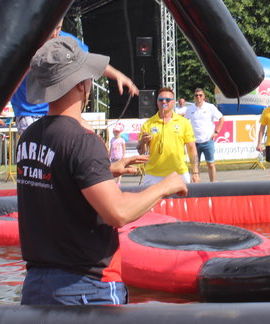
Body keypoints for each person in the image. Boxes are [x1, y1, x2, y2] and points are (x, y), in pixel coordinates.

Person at [16, 38, 187, 305]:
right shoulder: (82, 140)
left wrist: (104, 171)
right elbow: (118, 213)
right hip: (86, 286)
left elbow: (59, 185)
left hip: (37, 285)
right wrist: (166, 185)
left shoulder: (29, 137)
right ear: (80, 85)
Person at [11, 22, 138, 135]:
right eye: (51, 28)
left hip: (62, 110)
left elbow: (87, 61)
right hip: (31, 113)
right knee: (48, 146)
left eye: (58, 28)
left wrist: (118, 75)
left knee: (90, 137)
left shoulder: (67, 41)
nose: (54, 34)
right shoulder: (24, 41)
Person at [137, 87, 198, 186]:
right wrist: (143, 142)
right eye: (161, 99)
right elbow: (141, 152)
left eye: (167, 100)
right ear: (157, 102)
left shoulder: (184, 123)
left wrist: (195, 172)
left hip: (179, 173)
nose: (164, 102)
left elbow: (192, 149)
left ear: (173, 102)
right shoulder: (148, 124)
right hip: (153, 175)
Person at [184, 88, 225, 182]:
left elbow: (221, 118)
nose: (198, 97)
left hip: (208, 141)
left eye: (200, 95)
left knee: (210, 164)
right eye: (196, 95)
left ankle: (213, 184)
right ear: (194, 97)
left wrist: (216, 132)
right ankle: (196, 186)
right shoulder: (190, 109)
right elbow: (184, 122)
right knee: (195, 166)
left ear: (204, 97)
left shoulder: (210, 107)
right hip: (194, 142)